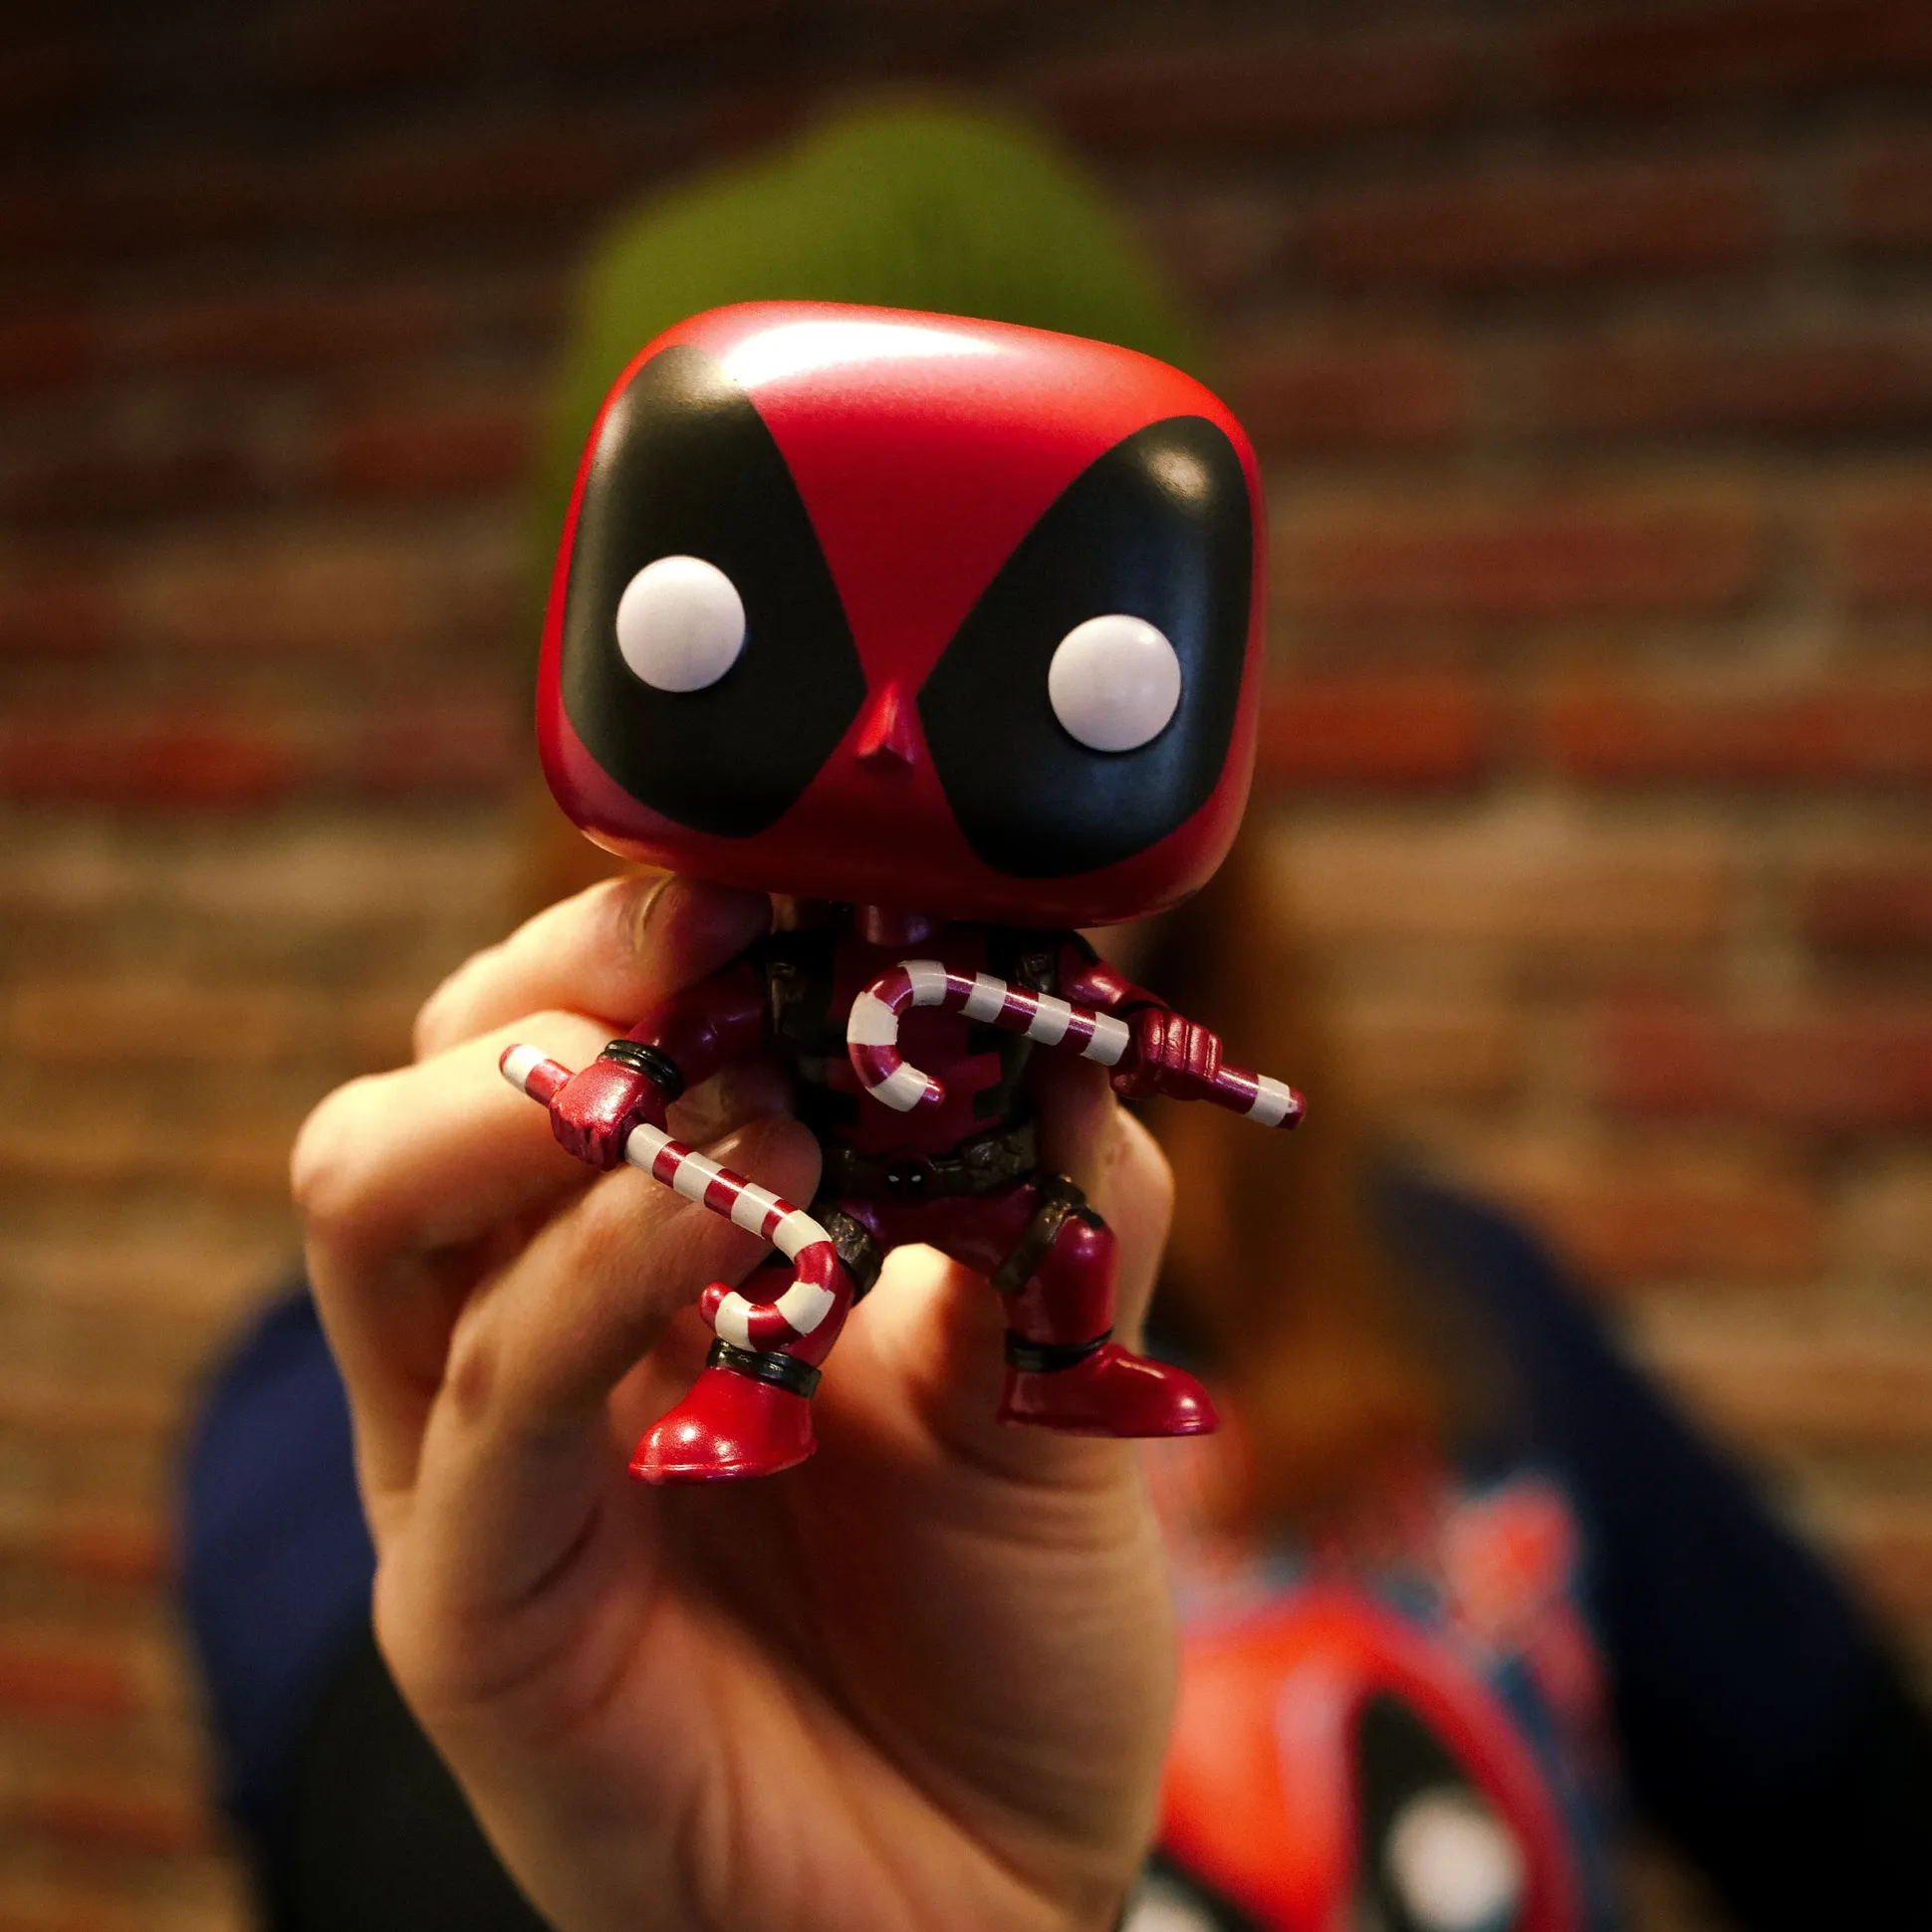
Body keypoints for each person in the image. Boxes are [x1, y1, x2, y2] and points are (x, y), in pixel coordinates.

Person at [179, 104, 1932, 1932]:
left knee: (1065, 1244)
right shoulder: (420, 1387)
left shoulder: (1469, 1308)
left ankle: (1066, 1356)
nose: (897, 752)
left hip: (1020, 1197)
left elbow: (1863, 1805)